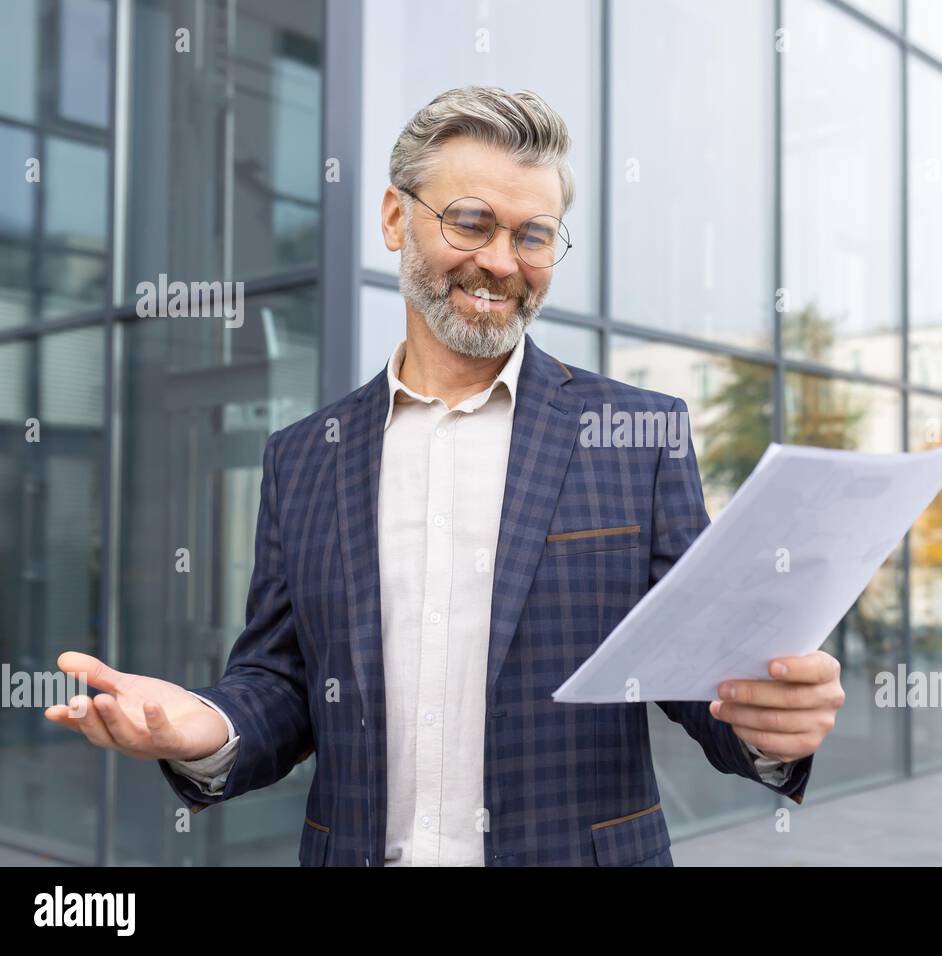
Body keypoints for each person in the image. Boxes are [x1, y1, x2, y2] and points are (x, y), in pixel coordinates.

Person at [46, 86, 845, 866]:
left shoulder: (636, 435)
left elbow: (697, 668)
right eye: (470, 223)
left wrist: (767, 726)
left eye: (534, 235)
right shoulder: (304, 456)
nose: (500, 263)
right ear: (397, 218)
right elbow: (284, 682)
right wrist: (208, 727)